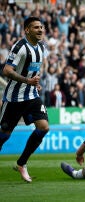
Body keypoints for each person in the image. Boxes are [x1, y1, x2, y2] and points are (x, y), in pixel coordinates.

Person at [0, 17, 50, 183]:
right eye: (36, 27)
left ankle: (22, 163)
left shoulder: (41, 47)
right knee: (4, 135)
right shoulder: (20, 47)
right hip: (14, 98)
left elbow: (32, 71)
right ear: (27, 30)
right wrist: (27, 81)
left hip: (31, 96)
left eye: (41, 27)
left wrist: (35, 84)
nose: (40, 30)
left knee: (43, 127)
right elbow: (7, 70)